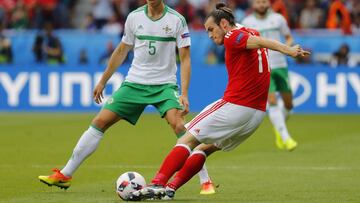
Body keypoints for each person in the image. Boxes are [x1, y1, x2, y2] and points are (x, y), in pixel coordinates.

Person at [130, 3, 309, 201]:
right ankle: (170, 189)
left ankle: (157, 183)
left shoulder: (233, 36)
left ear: (224, 24)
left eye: (210, 29)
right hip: (256, 115)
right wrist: (223, 10)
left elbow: (258, 40)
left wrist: (288, 50)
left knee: (185, 138)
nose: (209, 35)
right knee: (203, 149)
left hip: (236, 105)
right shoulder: (248, 29)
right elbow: (251, 36)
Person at [38, 0, 216, 195]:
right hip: (134, 83)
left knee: (180, 126)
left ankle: (205, 180)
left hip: (164, 85)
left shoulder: (177, 20)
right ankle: (65, 174)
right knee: (99, 122)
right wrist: (102, 81)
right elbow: (122, 50)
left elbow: (185, 58)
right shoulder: (134, 17)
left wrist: (184, 93)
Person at [242, 0, 298, 151]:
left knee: (288, 104)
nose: (261, 4)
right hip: (263, 67)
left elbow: (288, 36)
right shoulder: (247, 22)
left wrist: (288, 47)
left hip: (281, 65)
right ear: (254, 5)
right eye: (258, 2)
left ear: (268, 4)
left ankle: (279, 128)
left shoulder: (278, 19)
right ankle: (286, 138)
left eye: (264, 2)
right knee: (272, 100)